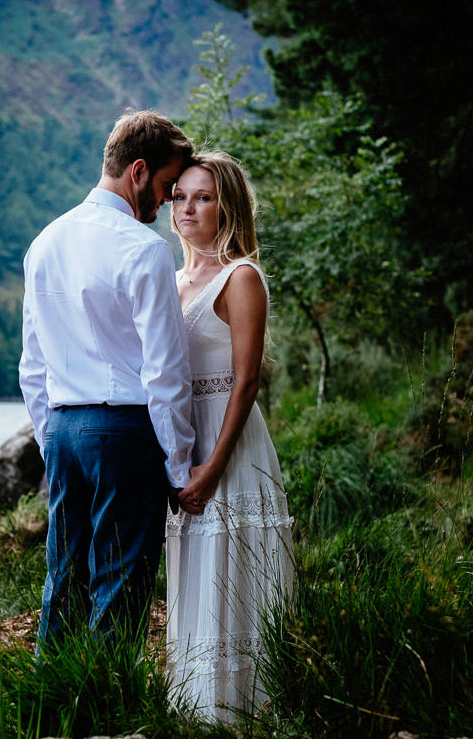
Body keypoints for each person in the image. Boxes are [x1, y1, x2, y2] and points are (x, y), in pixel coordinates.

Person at [19, 109, 198, 652]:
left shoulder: (45, 242)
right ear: (138, 171)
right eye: (168, 187)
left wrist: (50, 440)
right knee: (120, 587)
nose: (168, 202)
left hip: (64, 428)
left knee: (63, 582)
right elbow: (166, 372)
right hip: (125, 432)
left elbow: (32, 366)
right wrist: (178, 465)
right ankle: (108, 716)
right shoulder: (144, 250)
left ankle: (50, 713)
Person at [165, 151, 295, 722]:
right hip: (184, 441)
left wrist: (212, 467)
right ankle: (196, 709)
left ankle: (245, 712)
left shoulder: (240, 277)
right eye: (180, 196)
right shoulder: (169, 280)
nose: (188, 208)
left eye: (204, 197)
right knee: (195, 566)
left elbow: (246, 381)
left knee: (234, 564)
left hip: (230, 444)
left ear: (228, 206)